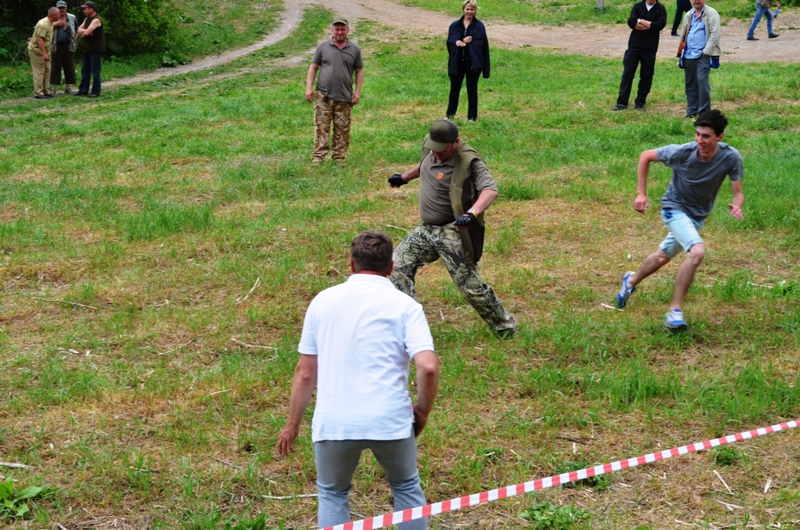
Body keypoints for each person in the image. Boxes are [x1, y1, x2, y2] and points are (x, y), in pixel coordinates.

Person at [277, 230, 439, 530]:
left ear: (351, 264)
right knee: (405, 486)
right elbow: (428, 367)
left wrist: (292, 424)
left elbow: (305, 372)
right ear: (391, 266)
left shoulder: (322, 302)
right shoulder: (406, 306)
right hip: (390, 420)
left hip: (335, 422)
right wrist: (423, 410)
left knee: (333, 493)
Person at [387, 120, 517, 338]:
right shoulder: (433, 148)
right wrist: (404, 178)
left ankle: (506, 328)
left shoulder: (469, 161)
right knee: (396, 267)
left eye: (441, 150)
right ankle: (410, 325)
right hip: (426, 230)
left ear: (455, 142)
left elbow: (490, 190)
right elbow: (424, 165)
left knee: (471, 287)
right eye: (433, 149)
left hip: (452, 230)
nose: (436, 154)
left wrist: (471, 214)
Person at [615, 110, 744, 330]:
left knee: (662, 256)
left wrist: (737, 204)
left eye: (706, 136)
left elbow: (738, 192)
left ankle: (631, 280)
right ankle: (675, 311)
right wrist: (641, 194)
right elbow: (646, 156)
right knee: (697, 252)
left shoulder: (731, 157)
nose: (700, 140)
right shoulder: (683, 152)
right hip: (673, 208)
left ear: (720, 137)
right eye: (698, 134)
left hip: (697, 215)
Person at [305, 18, 364, 163]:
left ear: (347, 31)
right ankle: (318, 157)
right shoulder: (323, 46)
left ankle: (339, 157)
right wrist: (309, 88)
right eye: (337, 29)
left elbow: (359, 71)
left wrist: (357, 92)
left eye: (343, 29)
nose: (340, 32)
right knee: (321, 127)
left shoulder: (354, 49)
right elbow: (313, 67)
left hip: (344, 97)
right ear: (332, 30)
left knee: (342, 129)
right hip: (324, 96)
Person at [612, 0, 667, 112]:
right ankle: (622, 102)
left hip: (650, 48)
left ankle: (640, 102)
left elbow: (659, 25)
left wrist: (641, 20)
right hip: (634, 47)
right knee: (627, 74)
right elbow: (632, 23)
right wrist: (650, 25)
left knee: (646, 76)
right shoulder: (638, 6)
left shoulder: (660, 8)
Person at [446, 0, 490, 122]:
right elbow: (450, 42)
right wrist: (460, 42)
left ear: (475, 11)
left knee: (472, 89)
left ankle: (472, 117)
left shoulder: (479, 26)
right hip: (458, 62)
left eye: (472, 9)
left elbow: (481, 45)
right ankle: (450, 115)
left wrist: (466, 44)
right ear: (463, 10)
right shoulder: (455, 25)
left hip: (473, 63)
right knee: (454, 89)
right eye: (467, 9)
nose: (469, 12)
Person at [676, 0, 720, 119]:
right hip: (688, 54)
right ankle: (691, 111)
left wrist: (707, 51)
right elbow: (683, 34)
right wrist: (681, 53)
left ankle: (704, 112)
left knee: (702, 82)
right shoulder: (688, 14)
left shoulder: (711, 13)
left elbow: (715, 34)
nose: (696, 1)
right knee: (690, 84)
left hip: (703, 54)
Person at [28, 7, 61, 100]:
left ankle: (46, 91)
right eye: (58, 14)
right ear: (53, 15)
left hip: (46, 51)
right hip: (37, 51)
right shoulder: (43, 24)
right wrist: (44, 54)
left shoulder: (51, 23)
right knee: (39, 71)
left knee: (47, 70)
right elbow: (40, 39)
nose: (59, 16)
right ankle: (38, 93)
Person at [75, 1, 104, 98]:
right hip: (87, 49)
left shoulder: (96, 20)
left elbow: (86, 33)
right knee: (85, 70)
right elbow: (80, 30)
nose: (83, 10)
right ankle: (83, 90)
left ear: (91, 9)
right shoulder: (87, 19)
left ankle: (96, 91)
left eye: (85, 8)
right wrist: (85, 33)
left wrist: (86, 32)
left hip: (95, 50)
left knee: (95, 72)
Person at [50, 0, 78, 95]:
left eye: (63, 7)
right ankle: (53, 87)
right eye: (59, 8)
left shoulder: (72, 17)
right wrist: (56, 24)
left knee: (69, 66)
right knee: (55, 67)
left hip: (68, 45)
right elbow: (47, 27)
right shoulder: (53, 17)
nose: (61, 10)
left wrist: (75, 40)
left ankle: (68, 87)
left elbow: (77, 29)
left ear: (66, 8)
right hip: (56, 45)